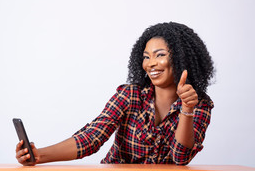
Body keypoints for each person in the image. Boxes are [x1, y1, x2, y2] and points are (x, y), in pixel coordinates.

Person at [16, 22, 215, 165]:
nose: (151, 63)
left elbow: (181, 158)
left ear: (182, 59)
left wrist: (187, 110)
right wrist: (39, 155)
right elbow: (92, 137)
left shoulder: (200, 104)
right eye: (146, 57)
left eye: (160, 55)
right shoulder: (130, 95)